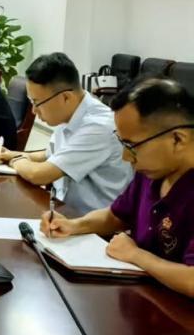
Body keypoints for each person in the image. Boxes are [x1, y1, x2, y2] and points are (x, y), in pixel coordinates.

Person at [43, 79, 194, 298]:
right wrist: (73, 225)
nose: (126, 157)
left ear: (178, 139)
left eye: (131, 146)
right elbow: (116, 215)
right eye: (123, 144)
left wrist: (136, 255)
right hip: (140, 298)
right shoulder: (153, 171)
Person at [0, 53, 131, 213]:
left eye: (37, 102)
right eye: (31, 102)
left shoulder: (98, 127)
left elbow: (39, 175)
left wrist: (16, 160)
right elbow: (51, 154)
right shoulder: (70, 113)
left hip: (93, 223)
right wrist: (12, 154)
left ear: (65, 98)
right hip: (63, 211)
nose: (34, 111)